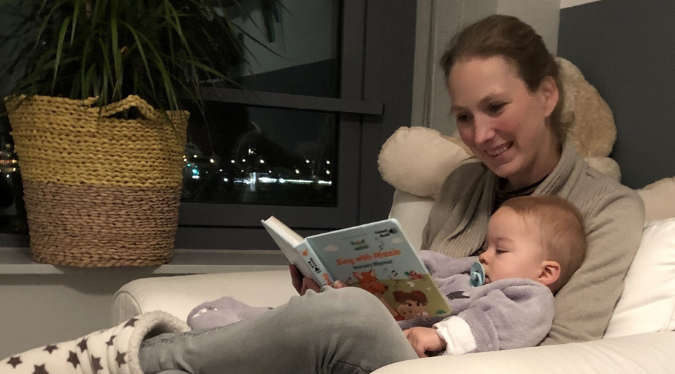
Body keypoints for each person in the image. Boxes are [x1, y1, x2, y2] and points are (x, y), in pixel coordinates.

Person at [0, 14, 644, 374]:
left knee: (348, 319)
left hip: (456, 362)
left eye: (496, 107)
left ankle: (132, 359)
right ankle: (142, 355)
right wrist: (341, 280)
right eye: (464, 116)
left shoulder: (607, 210)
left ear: (548, 94)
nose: (479, 134)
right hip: (397, 343)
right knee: (307, 308)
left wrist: (433, 340)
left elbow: (569, 350)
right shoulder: (461, 185)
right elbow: (411, 290)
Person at [402, 194, 587, 356]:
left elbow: (497, 325)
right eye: (486, 247)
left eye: (500, 250)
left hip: (414, 350)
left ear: (545, 273)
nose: (483, 255)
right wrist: (406, 261)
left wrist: (443, 336)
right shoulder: (475, 270)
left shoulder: (531, 298)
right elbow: (442, 265)